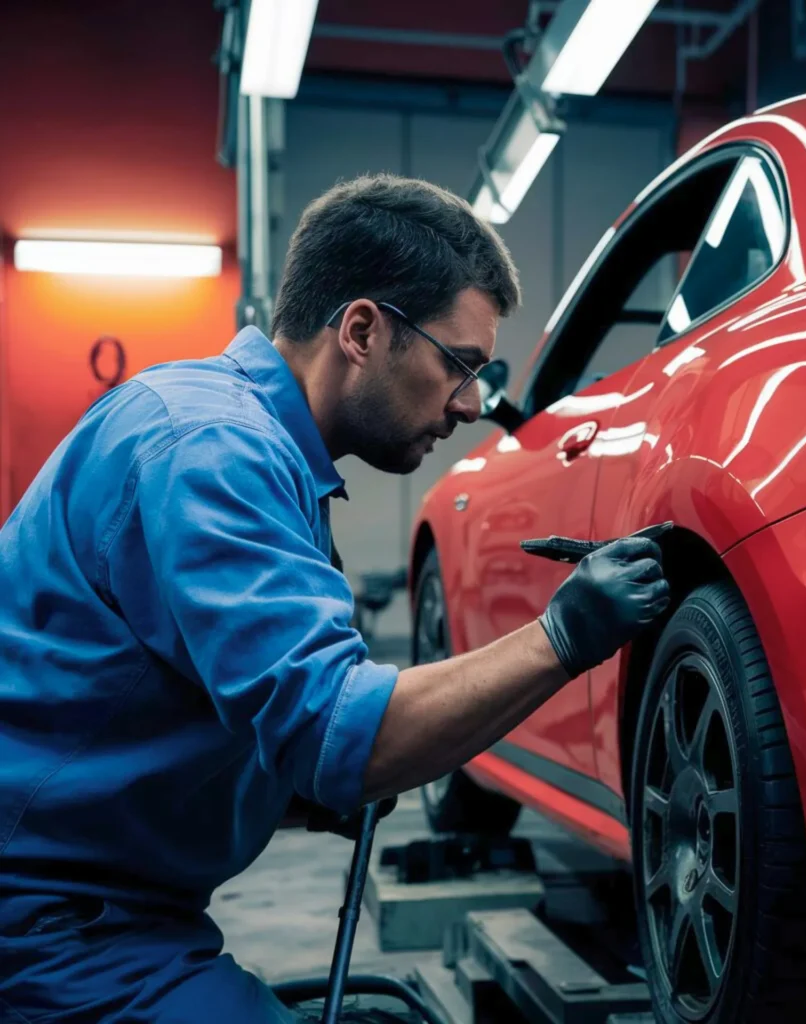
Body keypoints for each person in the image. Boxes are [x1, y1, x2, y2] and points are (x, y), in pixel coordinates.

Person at [0, 174, 670, 1022]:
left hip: (113, 909)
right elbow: (337, 731)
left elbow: (171, 697)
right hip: (47, 928)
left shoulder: (253, 446)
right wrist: (563, 635)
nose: (469, 403)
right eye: (458, 364)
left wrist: (295, 796)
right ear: (361, 330)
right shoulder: (213, 453)